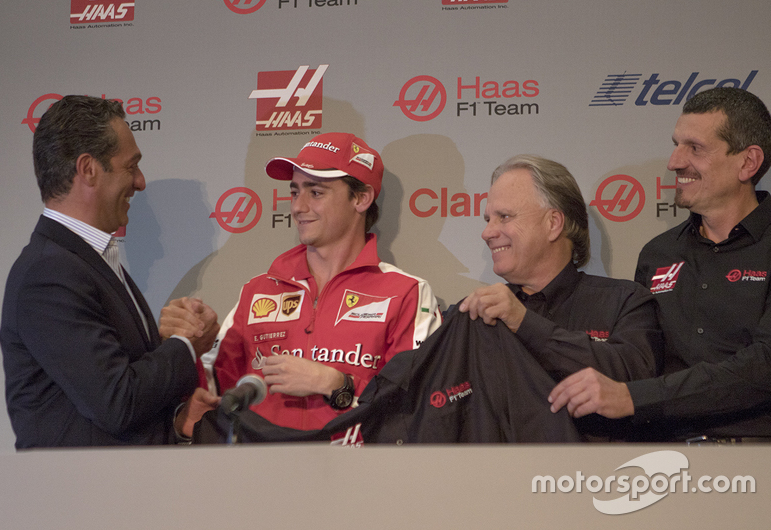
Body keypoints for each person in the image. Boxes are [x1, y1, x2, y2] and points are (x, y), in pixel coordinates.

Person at [164, 132, 442, 433]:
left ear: (361, 198)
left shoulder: (407, 293)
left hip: (360, 474)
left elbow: (420, 405)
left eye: (316, 192)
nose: (298, 207)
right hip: (262, 472)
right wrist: (190, 343)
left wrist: (335, 384)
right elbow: (211, 394)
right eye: (295, 192)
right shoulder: (258, 290)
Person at [549, 87, 771, 441]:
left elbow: (764, 369)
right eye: (676, 144)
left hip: (755, 466)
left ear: (748, 162)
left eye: (694, 148)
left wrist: (631, 398)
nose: (674, 162)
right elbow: (640, 359)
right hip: (660, 465)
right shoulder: (658, 254)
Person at [0, 95, 219, 449]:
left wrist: (178, 420)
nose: (141, 181)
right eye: (130, 166)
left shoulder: (87, 259)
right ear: (88, 169)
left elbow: (115, 398)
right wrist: (185, 345)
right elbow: (118, 402)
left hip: (115, 492)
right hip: (81, 498)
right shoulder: (49, 273)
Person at [459, 155, 662, 437]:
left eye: (504, 217)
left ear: (553, 223)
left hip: (596, 478)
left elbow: (637, 382)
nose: (487, 232)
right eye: (488, 219)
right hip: (499, 477)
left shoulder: (625, 300)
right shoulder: (476, 313)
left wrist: (525, 323)